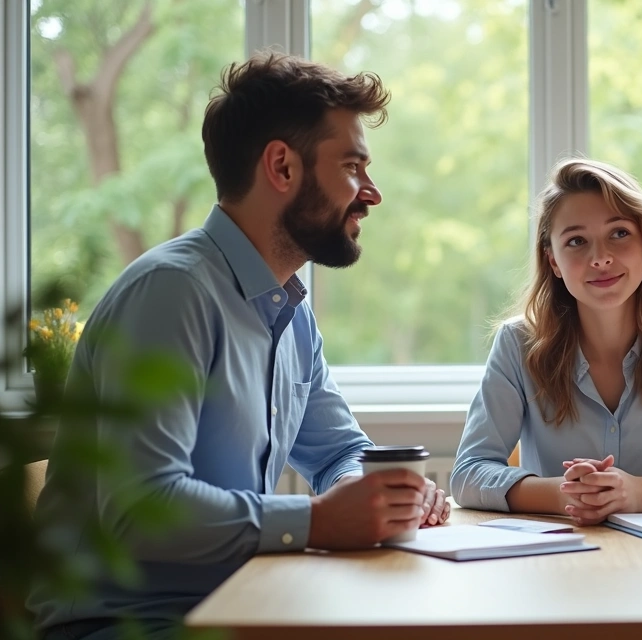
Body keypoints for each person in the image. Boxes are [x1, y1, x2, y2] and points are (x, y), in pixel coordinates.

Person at [28, 53, 450, 640]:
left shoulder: (290, 311)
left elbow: (336, 454)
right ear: (281, 166)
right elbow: (139, 511)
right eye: (352, 166)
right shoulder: (172, 293)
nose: (371, 193)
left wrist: (376, 495)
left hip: (237, 605)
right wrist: (318, 520)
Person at [450, 158, 642, 525]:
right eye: (576, 241)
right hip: (555, 560)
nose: (601, 258)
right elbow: (468, 473)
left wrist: (639, 494)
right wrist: (567, 494)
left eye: (619, 233)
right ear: (554, 262)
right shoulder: (517, 344)